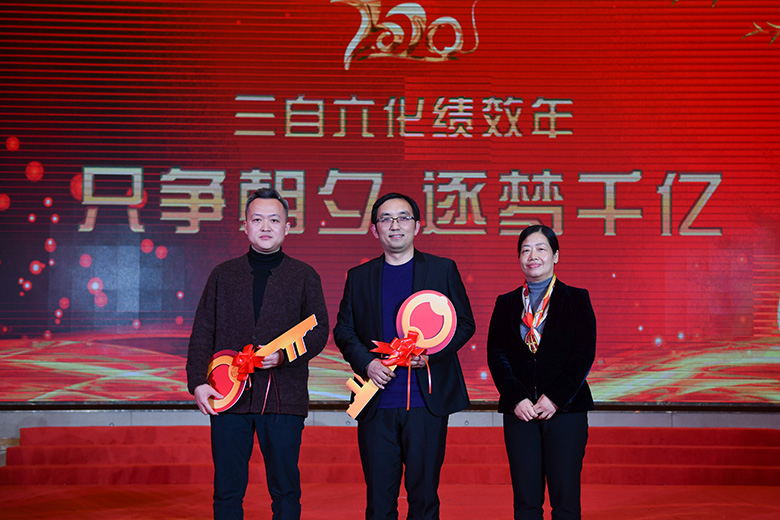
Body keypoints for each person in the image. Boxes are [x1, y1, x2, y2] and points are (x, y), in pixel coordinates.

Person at [186, 187, 329, 520]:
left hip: (283, 399)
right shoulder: (223, 274)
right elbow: (203, 330)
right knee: (227, 489)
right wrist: (197, 382)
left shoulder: (304, 275)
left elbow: (319, 331)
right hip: (227, 395)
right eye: (257, 219)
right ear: (245, 226)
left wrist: (284, 356)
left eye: (274, 220)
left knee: (285, 489)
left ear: (287, 227)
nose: (266, 227)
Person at [334, 192, 475, 520]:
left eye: (402, 218)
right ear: (375, 229)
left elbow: (464, 324)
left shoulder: (441, 269)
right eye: (386, 219)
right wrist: (368, 363)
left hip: (426, 403)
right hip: (377, 401)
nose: (394, 225)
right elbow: (344, 331)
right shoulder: (359, 276)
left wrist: (430, 356)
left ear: (417, 226)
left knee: (424, 498)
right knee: (379, 500)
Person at [487, 224, 596, 520]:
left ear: (555, 256)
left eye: (540, 249)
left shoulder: (577, 298)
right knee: (526, 502)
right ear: (519, 258)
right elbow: (496, 355)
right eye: (525, 250)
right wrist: (516, 398)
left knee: (565, 501)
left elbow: (583, 354)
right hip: (520, 412)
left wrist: (556, 398)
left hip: (565, 411)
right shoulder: (506, 303)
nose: (532, 256)